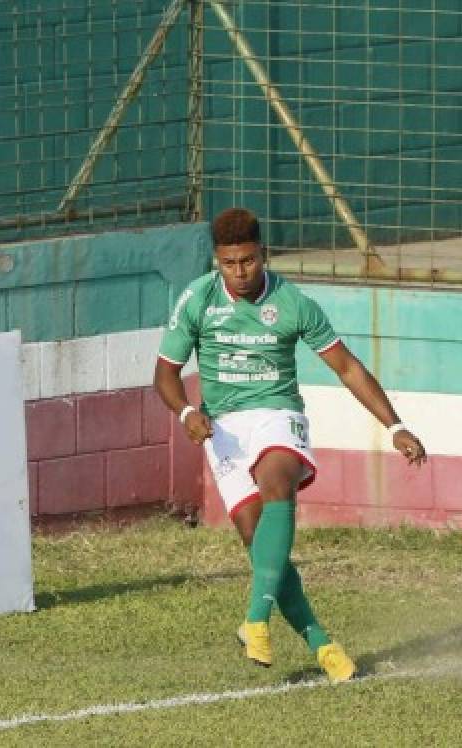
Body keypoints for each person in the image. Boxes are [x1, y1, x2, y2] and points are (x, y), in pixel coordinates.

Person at [154, 207, 427, 682]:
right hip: (223, 433)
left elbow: (347, 367)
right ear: (217, 261)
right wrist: (186, 413)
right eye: (229, 264)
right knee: (263, 551)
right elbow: (165, 375)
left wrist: (394, 426)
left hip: (279, 416)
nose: (239, 273)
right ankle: (323, 645)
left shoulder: (294, 302)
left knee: (277, 481)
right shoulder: (197, 300)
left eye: (248, 261)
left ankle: (255, 621)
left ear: (264, 255)